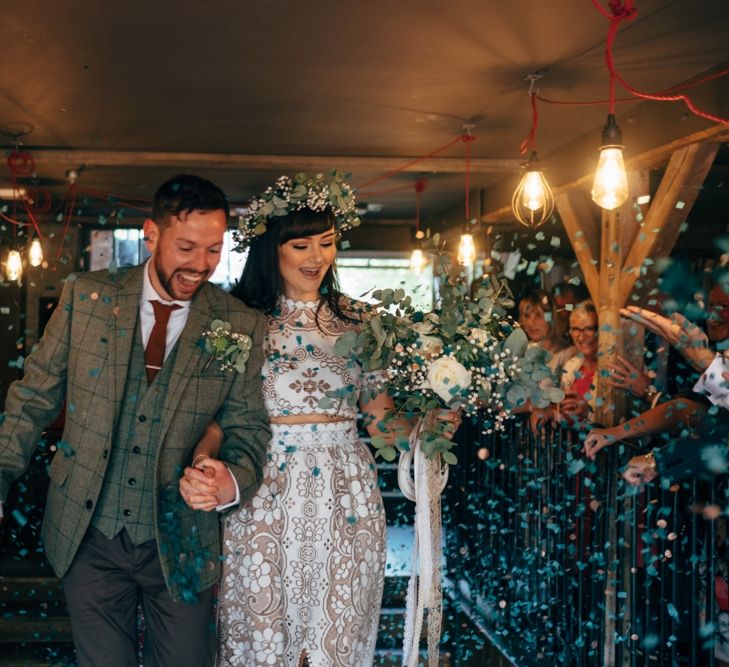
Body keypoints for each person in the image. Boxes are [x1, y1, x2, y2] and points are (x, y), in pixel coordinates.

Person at [180, 172, 458, 666]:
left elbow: (380, 422)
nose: (316, 258)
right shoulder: (240, 320)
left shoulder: (360, 322)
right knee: (262, 632)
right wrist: (205, 459)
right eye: (301, 245)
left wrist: (427, 432)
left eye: (326, 243)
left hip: (346, 490)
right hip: (264, 488)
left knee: (340, 630)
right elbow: (218, 416)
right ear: (273, 249)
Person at [0, 175, 271, 667]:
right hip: (87, 533)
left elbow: (249, 428)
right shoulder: (86, 297)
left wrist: (229, 480)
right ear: (151, 233)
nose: (202, 265)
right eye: (187, 247)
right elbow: (33, 396)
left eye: (214, 249)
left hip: (184, 540)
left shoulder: (240, 323)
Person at [518, 289, 575, 376]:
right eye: (526, 316)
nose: (531, 322)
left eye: (538, 315)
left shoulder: (568, 354)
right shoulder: (521, 352)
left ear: (551, 318)